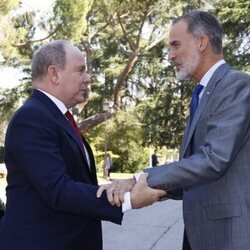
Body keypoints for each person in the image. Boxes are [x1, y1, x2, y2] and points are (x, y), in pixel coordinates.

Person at [98, 11, 250, 250]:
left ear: (202, 42)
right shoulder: (201, 93)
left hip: (227, 236)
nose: (170, 56)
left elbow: (213, 159)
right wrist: (151, 191)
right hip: (198, 234)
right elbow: (193, 170)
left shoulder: (235, 84)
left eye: (175, 45)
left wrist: (139, 179)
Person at [0, 40, 166, 250]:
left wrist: (117, 187)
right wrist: (128, 199)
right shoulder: (32, 118)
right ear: (54, 74)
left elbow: (77, 181)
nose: (88, 78)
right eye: (80, 70)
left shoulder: (56, 117)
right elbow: (58, 190)